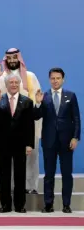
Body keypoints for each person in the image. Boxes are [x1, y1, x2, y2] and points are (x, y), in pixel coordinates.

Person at [0, 48, 42, 194]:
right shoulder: (0, 76)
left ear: (19, 59)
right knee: (3, 160)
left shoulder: (30, 76)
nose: (11, 61)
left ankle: (30, 186)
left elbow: (36, 100)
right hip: (5, 128)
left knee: (29, 159)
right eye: (9, 58)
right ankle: (3, 187)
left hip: (26, 126)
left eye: (14, 57)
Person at [0, 73, 43, 213]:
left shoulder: (27, 101)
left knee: (20, 175)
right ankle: (5, 205)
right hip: (3, 144)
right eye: (10, 82)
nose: (13, 85)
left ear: (19, 84)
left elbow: (30, 125)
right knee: (4, 176)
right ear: (6, 85)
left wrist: (30, 144)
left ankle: (20, 205)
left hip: (20, 144)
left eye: (15, 82)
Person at [40, 68, 79, 213]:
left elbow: (76, 118)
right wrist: (38, 104)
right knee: (49, 174)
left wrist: (76, 137)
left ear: (63, 79)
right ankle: (48, 204)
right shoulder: (44, 96)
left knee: (66, 174)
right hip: (49, 141)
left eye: (58, 78)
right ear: (49, 79)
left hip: (66, 141)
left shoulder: (71, 95)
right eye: (52, 78)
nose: (55, 81)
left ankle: (66, 204)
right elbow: (36, 116)